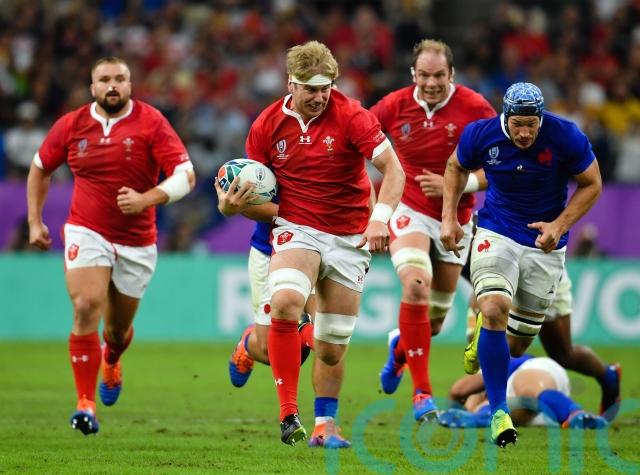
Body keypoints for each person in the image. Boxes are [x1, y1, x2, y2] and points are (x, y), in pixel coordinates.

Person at [216, 40, 405, 445]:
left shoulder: (352, 115)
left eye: (326, 88)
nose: (320, 97)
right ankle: (288, 414)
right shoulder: (266, 125)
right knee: (286, 303)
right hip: (293, 227)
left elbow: (393, 170)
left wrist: (379, 219)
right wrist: (232, 207)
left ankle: (324, 426)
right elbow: (256, 193)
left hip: (348, 236)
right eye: (311, 89)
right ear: (291, 83)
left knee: (329, 348)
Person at [27, 57, 195, 435]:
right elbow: (40, 167)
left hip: (137, 242)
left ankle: (112, 359)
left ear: (130, 84)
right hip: (87, 231)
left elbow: (186, 175)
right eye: (104, 79)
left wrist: (146, 198)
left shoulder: (152, 122)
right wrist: (35, 221)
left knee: (117, 333)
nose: (113, 85)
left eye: (120, 78)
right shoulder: (72, 125)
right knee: (86, 304)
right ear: (93, 88)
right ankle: (85, 405)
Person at [440, 82, 602, 447]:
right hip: (496, 230)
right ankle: (499, 412)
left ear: (541, 118)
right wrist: (449, 218)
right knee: (494, 307)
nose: (525, 132)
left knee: (515, 346)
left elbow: (592, 183)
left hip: (545, 243)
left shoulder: (565, 135)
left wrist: (559, 225)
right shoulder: (480, 134)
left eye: (532, 124)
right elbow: (455, 166)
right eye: (518, 124)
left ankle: (485, 333)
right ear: (506, 117)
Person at [368, 39, 495, 422]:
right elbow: (355, 141)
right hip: (409, 209)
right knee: (416, 285)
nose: (431, 83)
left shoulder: (475, 108)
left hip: (456, 218)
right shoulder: (393, 105)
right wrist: (372, 207)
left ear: (451, 74)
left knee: (434, 323)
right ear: (413, 74)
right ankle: (422, 393)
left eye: (439, 75)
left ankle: (399, 348)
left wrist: (457, 184)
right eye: (424, 75)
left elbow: (499, 167)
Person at [439, 355, 609, 430]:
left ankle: (577, 413)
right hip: (538, 409)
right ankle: (481, 419)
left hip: (535, 372)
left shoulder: (497, 362)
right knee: (497, 410)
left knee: (528, 391)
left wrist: (455, 405)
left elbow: (458, 390)